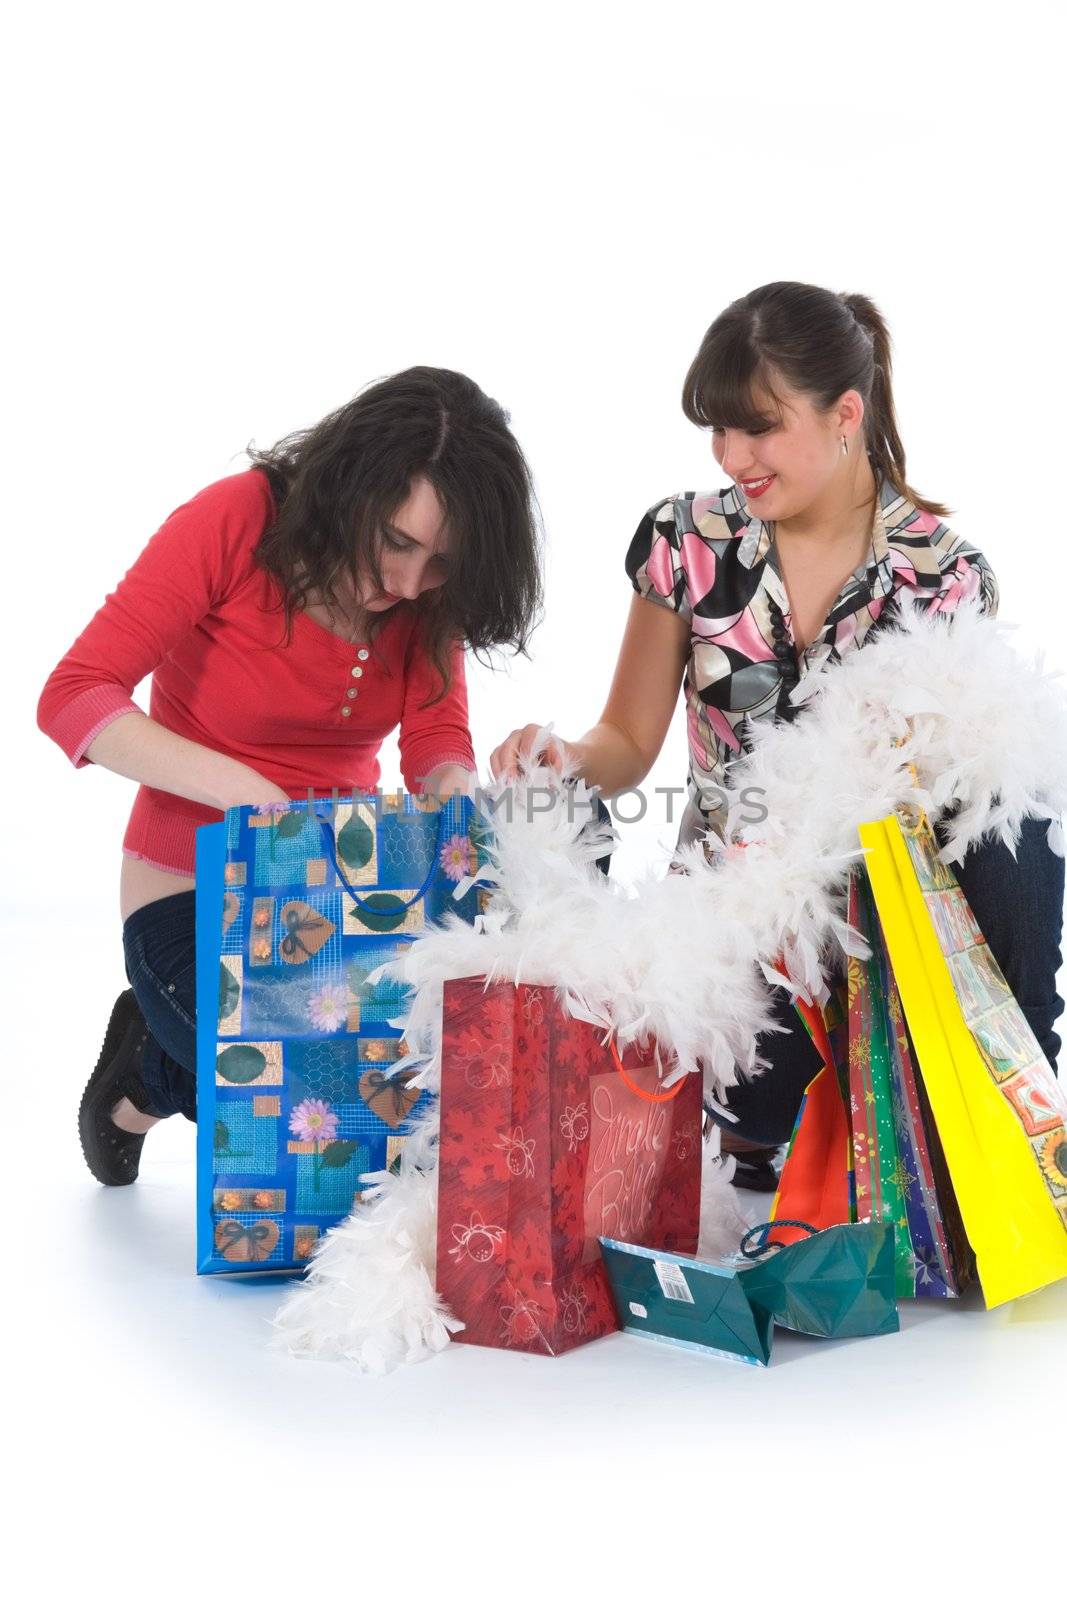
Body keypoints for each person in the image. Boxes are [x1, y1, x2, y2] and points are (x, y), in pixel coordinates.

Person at [491, 281, 1064, 1188]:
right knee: (541, 812)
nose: (733, 456)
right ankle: (737, 1124)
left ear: (845, 413)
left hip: (867, 918)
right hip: (729, 925)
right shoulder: (688, 539)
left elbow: (952, 797)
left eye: (758, 428)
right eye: (718, 432)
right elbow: (626, 741)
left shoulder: (941, 574)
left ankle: (1015, 1125)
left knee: (1023, 814)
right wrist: (562, 756)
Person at [38, 367, 542, 1186]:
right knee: (304, 1105)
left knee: (393, 1109)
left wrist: (462, 796)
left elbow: (434, 738)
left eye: (441, 563)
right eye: (396, 543)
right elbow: (71, 696)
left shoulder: (421, 600)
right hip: (191, 890)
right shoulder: (234, 520)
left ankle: (158, 1056)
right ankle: (147, 1071)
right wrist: (249, 796)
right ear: (349, 490)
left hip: (344, 894)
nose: (410, 585)